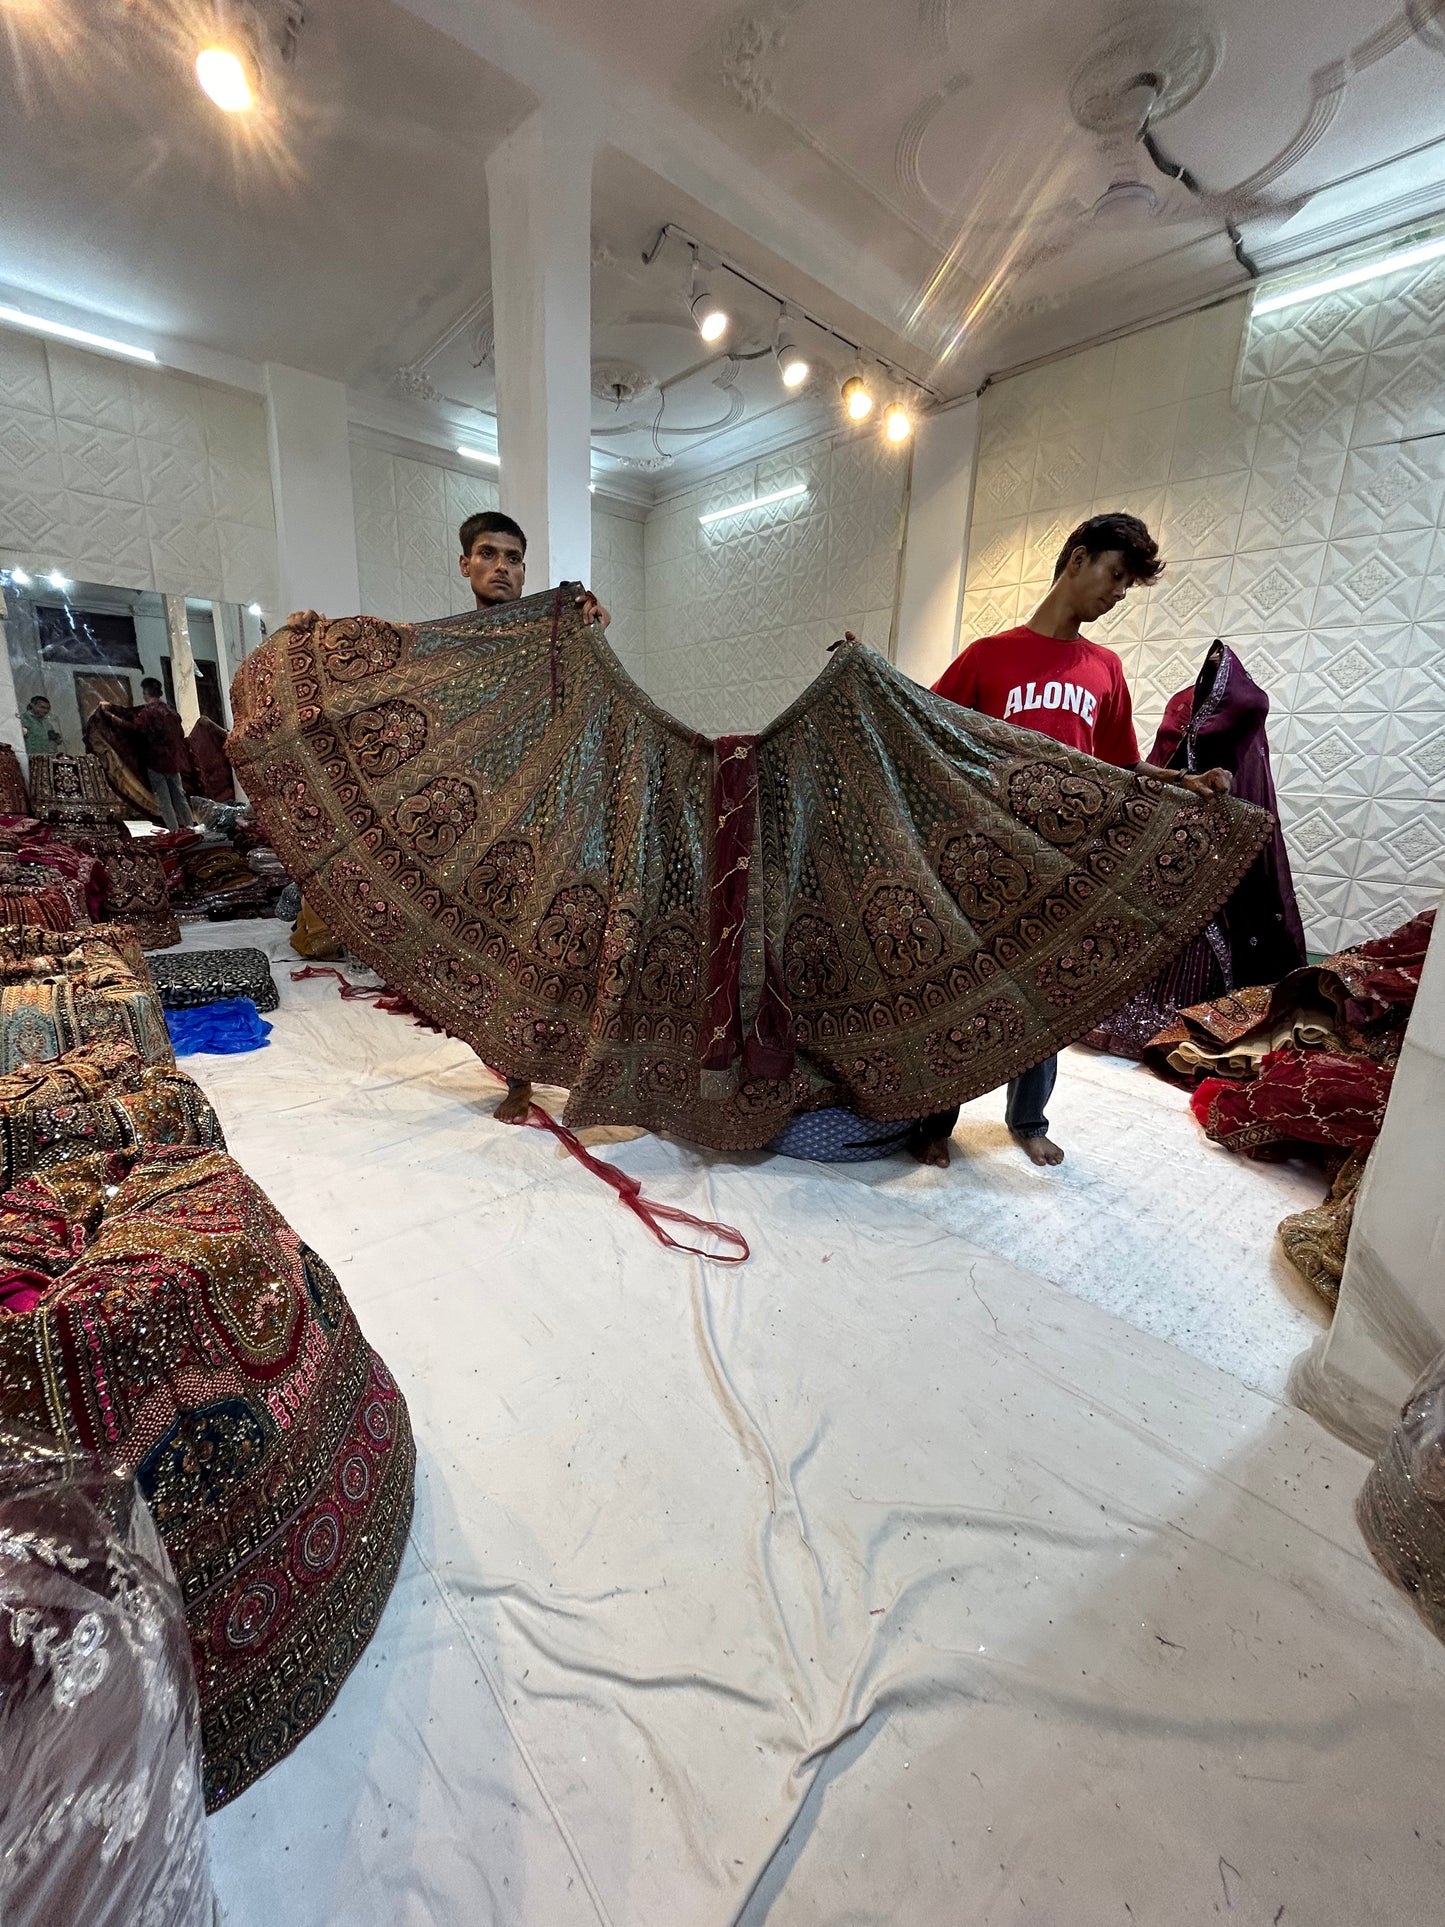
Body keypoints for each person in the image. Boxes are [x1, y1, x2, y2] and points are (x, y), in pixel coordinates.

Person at [922, 511, 1232, 1170]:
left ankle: (1027, 1117)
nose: (1117, 594)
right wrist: (870, 678)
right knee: (957, 990)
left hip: (1066, 867)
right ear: (1076, 560)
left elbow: (1119, 767)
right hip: (983, 861)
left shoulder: (1105, 669)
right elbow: (926, 728)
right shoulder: (987, 656)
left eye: (1126, 585)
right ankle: (932, 1118)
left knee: (1047, 994)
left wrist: (1186, 782)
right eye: (1114, 576)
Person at [456, 510, 610, 1125]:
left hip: (550, 815)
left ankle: (542, 1076)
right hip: (479, 815)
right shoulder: (451, 643)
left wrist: (592, 620)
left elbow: (593, 692)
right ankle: (513, 1067)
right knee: (492, 951)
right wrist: (318, 636)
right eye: (488, 554)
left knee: (548, 945)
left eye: (514, 558)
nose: (502, 567)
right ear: (464, 563)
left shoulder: (555, 630)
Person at [103, 678, 195, 831]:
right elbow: (180, 734)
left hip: (156, 762)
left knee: (165, 801)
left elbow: (133, 729)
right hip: (173, 761)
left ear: (146, 693)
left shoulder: (147, 712)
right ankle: (191, 828)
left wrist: (112, 718)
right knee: (179, 797)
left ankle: (175, 832)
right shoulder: (171, 711)